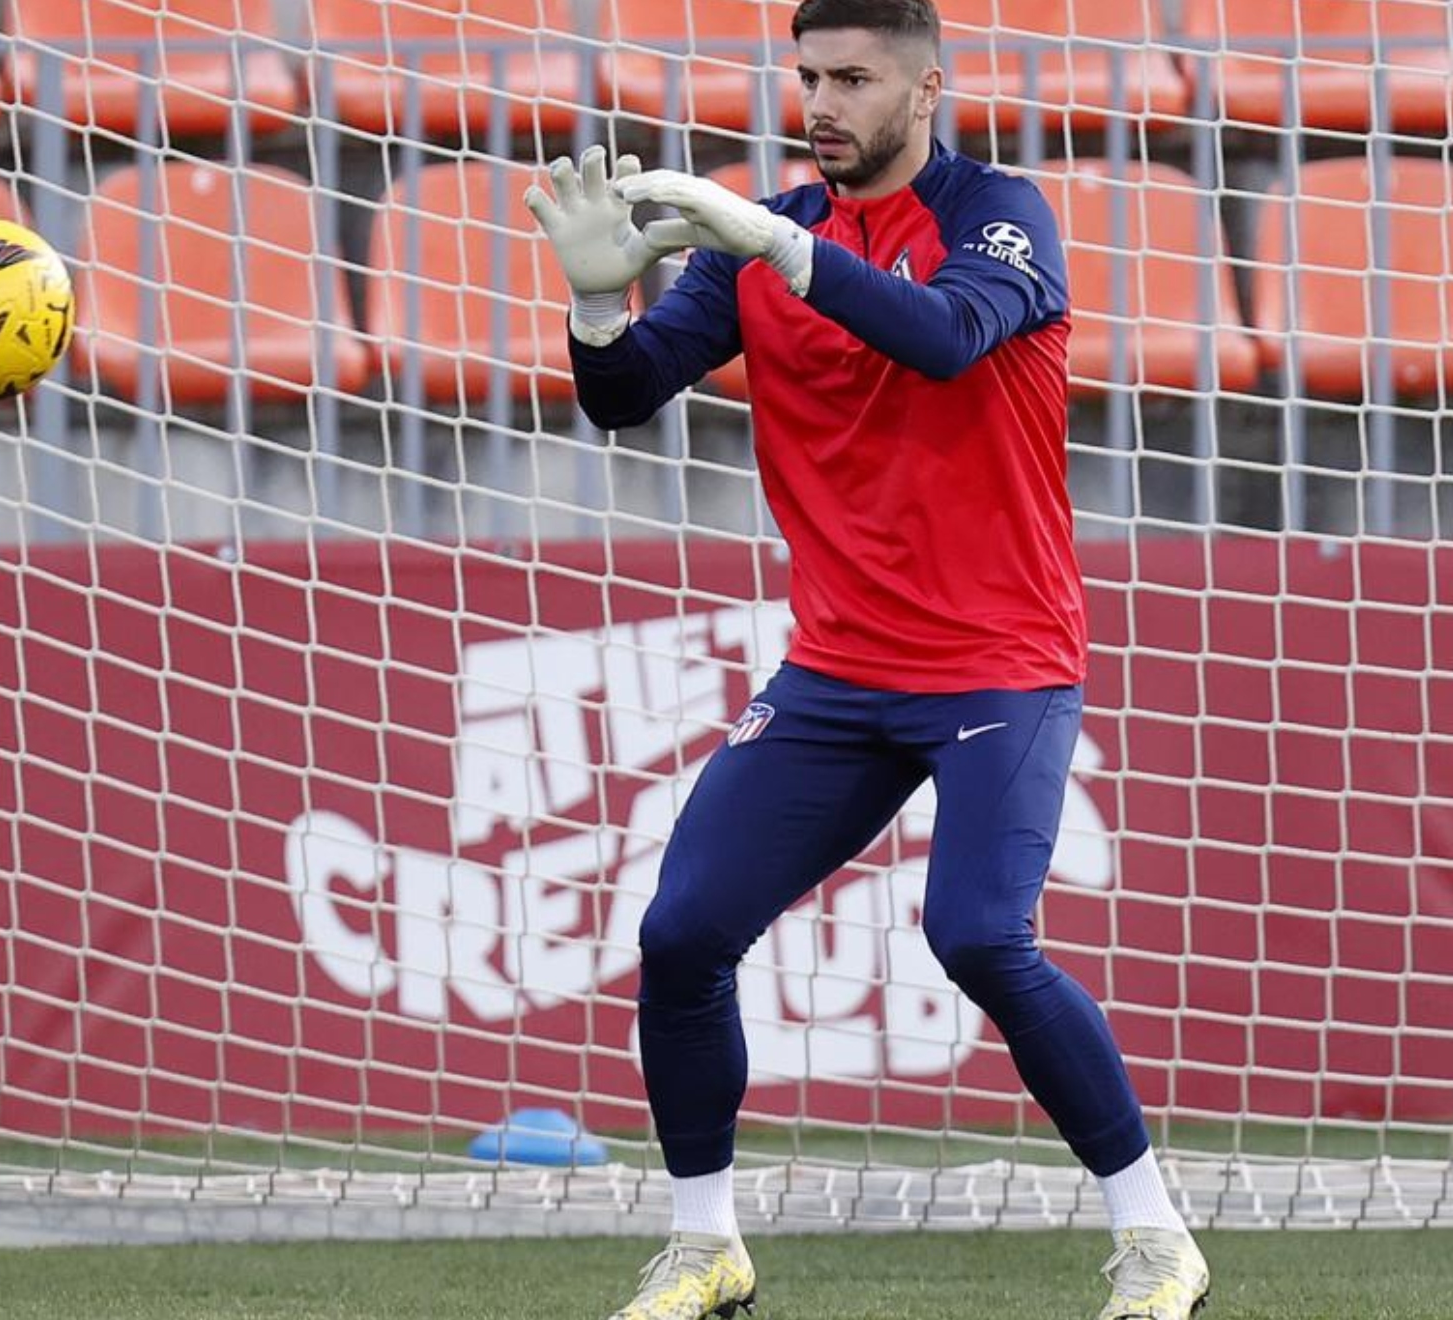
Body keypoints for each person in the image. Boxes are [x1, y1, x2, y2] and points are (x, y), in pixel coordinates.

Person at [522, 1, 1210, 1317]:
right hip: (839, 668)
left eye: (852, 77)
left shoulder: (998, 214)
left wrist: (776, 243)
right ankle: (707, 1245)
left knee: (976, 935)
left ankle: (1156, 1239)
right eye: (805, 77)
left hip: (1000, 658)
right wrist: (601, 301)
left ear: (927, 88)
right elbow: (624, 396)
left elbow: (945, 336)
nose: (822, 102)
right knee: (682, 932)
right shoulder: (761, 242)